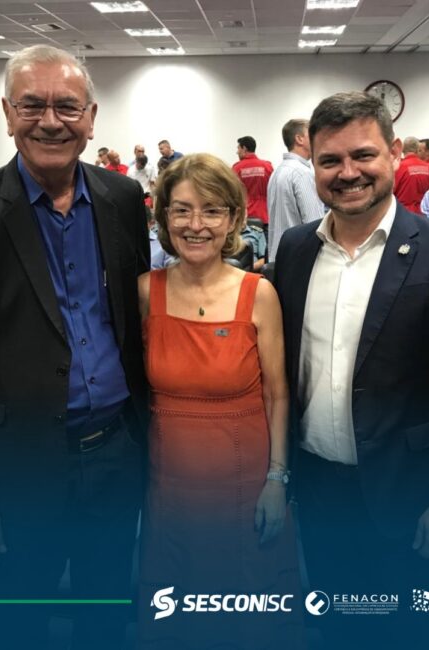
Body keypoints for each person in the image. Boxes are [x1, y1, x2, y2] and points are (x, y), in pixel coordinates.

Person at [0, 44, 149, 650]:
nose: (51, 121)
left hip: (114, 457)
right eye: (32, 105)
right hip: (17, 469)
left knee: (106, 611)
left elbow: (133, 325)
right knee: (20, 618)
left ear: (91, 117)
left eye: (67, 106)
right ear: (7, 113)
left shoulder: (121, 199)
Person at [274, 91, 429, 649]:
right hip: (320, 493)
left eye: (363, 155)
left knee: (407, 634)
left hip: (412, 500)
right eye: (330, 160)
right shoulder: (296, 249)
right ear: (312, 165)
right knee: (337, 628)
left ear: (395, 152)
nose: (348, 172)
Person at [137, 153, 304, 650]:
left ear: (233, 219)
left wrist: (277, 479)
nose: (196, 225)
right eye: (182, 210)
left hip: (245, 486)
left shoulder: (259, 293)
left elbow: (277, 394)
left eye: (211, 210)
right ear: (164, 217)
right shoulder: (145, 292)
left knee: (247, 618)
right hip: (168, 488)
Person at [267, 118, 325, 260]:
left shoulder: (278, 171)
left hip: (278, 256)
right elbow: (315, 225)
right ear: (299, 139)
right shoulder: (302, 174)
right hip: (299, 257)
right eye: (312, 135)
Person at [232, 135, 273, 227]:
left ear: (244, 148)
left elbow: (232, 193)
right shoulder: (268, 167)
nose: (237, 152)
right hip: (265, 216)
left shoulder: (237, 168)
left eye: (238, 148)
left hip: (245, 217)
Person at [394, 136, 429, 214]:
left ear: (402, 149)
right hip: (424, 212)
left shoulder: (397, 167)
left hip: (402, 213)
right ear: (417, 149)